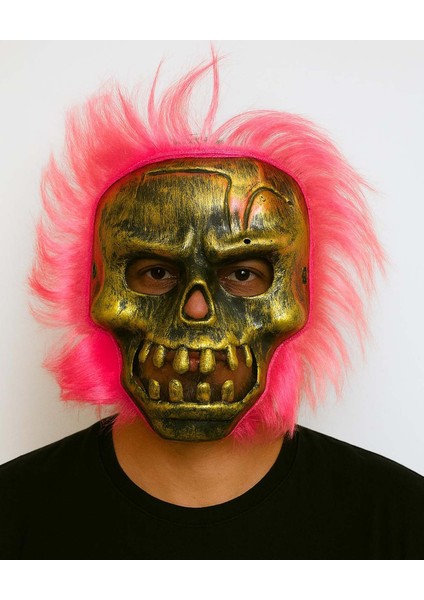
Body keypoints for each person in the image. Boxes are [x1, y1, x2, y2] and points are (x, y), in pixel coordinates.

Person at [1, 56, 423, 559]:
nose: (197, 310)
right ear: (95, 286)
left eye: (243, 274)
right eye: (156, 272)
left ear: (303, 288)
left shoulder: (400, 521)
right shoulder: (14, 512)